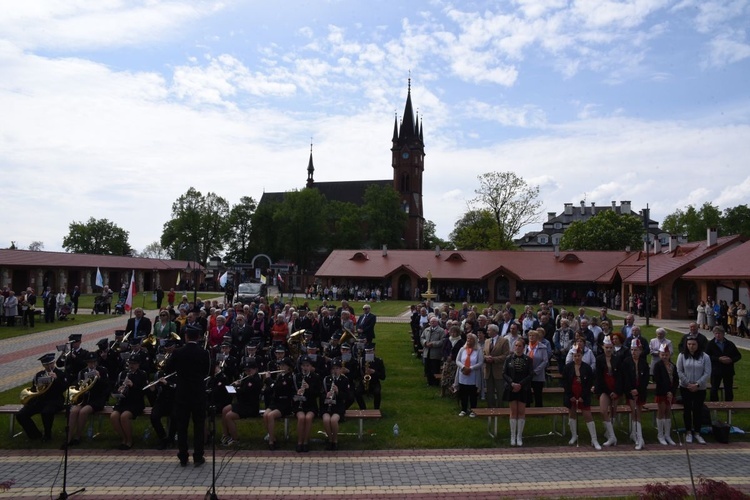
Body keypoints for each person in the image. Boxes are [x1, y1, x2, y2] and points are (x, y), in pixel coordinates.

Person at [164, 325, 211, 466]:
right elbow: (206, 372)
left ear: (186, 336)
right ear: (198, 337)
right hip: (198, 392)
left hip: (182, 393)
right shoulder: (204, 353)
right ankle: (198, 456)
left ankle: (183, 456)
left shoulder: (178, 352)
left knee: (182, 425)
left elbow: (168, 369)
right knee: (198, 424)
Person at [63, 352, 109, 447]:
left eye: (93, 362)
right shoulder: (82, 372)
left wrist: (99, 378)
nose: (91, 364)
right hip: (84, 399)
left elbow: (107, 387)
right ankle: (68, 438)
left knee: (83, 412)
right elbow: (77, 386)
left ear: (96, 362)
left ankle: (78, 436)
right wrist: (82, 385)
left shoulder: (102, 370)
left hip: (97, 400)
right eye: (89, 362)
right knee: (74, 411)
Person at [17, 353, 66, 441]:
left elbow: (63, 388)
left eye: (50, 363)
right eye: (46, 364)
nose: (48, 366)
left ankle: (47, 435)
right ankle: (35, 435)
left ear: (54, 362)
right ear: (43, 365)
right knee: (21, 414)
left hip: (55, 400)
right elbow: (34, 389)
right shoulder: (39, 375)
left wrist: (56, 379)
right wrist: (37, 387)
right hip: (40, 400)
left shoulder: (60, 373)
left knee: (46, 412)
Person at [562, 346, 601, 450]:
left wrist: (583, 396)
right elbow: (565, 383)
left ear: (582, 356)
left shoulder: (587, 368)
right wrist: (570, 396)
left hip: (584, 395)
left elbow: (589, 384)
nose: (577, 358)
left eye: (579, 355)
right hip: (571, 396)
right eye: (575, 356)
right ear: (572, 356)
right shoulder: (567, 367)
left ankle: (594, 439)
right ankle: (574, 435)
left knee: (587, 415)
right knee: (572, 414)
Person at [677, 336, 711, 444]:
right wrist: (687, 383)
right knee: (687, 410)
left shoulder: (705, 357)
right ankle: (688, 431)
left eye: (693, 344)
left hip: (699, 388)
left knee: (698, 410)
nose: (691, 346)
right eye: (689, 344)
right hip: (685, 387)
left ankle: (697, 432)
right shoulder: (682, 356)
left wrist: (697, 384)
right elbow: (679, 371)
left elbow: (707, 372)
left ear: (698, 345)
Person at [221, 358, 262, 446]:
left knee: (229, 416)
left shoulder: (255, 380)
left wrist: (235, 389)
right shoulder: (248, 378)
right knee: (225, 409)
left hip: (250, 406)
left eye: (249, 370)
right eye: (246, 370)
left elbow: (244, 392)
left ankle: (235, 439)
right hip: (243, 404)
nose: (247, 372)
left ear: (255, 369)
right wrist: (239, 383)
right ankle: (225, 435)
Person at [617, 338, 649, 450]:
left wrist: (638, 390)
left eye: (636, 350)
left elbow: (645, 379)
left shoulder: (644, 363)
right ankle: (639, 438)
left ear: (640, 350)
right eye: (632, 350)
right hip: (630, 392)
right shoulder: (626, 362)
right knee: (635, 412)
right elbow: (625, 378)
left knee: (638, 412)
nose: (633, 352)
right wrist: (631, 390)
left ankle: (636, 435)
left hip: (640, 391)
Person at [110, 355, 147, 450]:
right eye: (130, 363)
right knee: (113, 416)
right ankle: (124, 438)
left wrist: (132, 385)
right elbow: (114, 387)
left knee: (124, 416)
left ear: (138, 365)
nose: (132, 366)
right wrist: (119, 390)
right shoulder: (123, 374)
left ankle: (129, 440)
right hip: (123, 402)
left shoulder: (142, 374)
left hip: (135, 403)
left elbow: (143, 392)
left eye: (134, 364)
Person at [503, 339, 532, 446]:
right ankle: (512, 436)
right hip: (511, 387)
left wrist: (521, 384)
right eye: (516, 345)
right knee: (513, 412)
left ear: (523, 347)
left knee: (521, 412)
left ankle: (519, 436)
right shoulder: (509, 359)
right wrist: (512, 383)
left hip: (523, 388)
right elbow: (504, 373)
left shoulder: (528, 359)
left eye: (520, 346)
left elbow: (530, 374)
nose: (518, 348)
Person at [263, 357, 296, 450]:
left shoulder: (289, 377)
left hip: (285, 403)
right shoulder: (280, 376)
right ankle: (272, 437)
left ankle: (271, 442)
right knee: (265, 415)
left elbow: (278, 388)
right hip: (276, 402)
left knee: (270, 416)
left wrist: (269, 380)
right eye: (280, 365)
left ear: (288, 367)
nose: (281, 367)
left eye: (283, 365)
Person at [705, 326, 742, 402]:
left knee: (728, 388)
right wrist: (718, 359)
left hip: (728, 370)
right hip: (716, 370)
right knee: (714, 388)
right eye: (716, 333)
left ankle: (729, 405)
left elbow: (738, 355)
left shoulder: (729, 344)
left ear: (723, 334)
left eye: (719, 333)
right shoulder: (710, 344)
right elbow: (706, 356)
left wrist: (731, 360)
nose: (717, 335)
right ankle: (714, 405)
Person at [321, 358, 351, 450]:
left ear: (340, 369)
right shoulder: (326, 379)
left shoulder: (344, 380)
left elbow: (347, 396)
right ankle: (330, 440)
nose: (335, 371)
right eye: (333, 369)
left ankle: (335, 440)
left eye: (337, 368)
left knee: (333, 420)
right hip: (327, 406)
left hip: (338, 406)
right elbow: (321, 394)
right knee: (326, 420)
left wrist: (338, 392)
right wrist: (326, 395)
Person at [594, 337, 619, 447]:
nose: (608, 350)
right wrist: (608, 391)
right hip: (605, 389)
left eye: (610, 348)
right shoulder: (599, 359)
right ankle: (612, 436)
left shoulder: (617, 359)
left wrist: (616, 391)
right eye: (606, 348)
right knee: (603, 411)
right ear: (603, 347)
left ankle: (609, 434)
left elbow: (620, 377)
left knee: (613, 412)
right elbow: (599, 377)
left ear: (613, 348)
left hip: (615, 389)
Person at [293, 355, 321, 452]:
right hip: (299, 405)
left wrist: (309, 388)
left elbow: (318, 393)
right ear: (301, 366)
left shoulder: (315, 377)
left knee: (308, 418)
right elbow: (291, 392)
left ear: (311, 366)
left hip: (311, 405)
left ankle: (305, 442)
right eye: (303, 365)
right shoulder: (296, 377)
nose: (305, 368)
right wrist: (297, 393)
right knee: (301, 418)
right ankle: (299, 442)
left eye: (307, 365)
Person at [652, 344, 678, 446]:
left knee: (668, 411)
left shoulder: (672, 366)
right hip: (662, 392)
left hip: (670, 393)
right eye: (662, 354)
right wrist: (666, 391)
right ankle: (660, 435)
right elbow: (658, 380)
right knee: (661, 411)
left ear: (669, 355)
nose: (664, 357)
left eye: (666, 355)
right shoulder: (658, 366)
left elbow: (675, 380)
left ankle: (667, 435)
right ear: (659, 354)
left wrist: (672, 391)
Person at [455, 333, 483, 417]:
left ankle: (473, 409)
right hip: (463, 374)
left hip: (473, 374)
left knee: (472, 393)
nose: (468, 340)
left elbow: (480, 362)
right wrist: (463, 367)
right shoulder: (462, 349)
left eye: (470, 339)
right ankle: (463, 409)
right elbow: (457, 360)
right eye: (467, 339)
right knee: (463, 392)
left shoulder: (478, 350)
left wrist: (471, 368)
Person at [484, 324, 509, 408]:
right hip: (488, 370)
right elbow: (483, 353)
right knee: (489, 391)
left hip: (498, 370)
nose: (487, 331)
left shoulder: (504, 341)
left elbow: (506, 355)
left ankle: (501, 408)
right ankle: (491, 408)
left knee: (500, 391)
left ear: (494, 331)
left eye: (489, 330)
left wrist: (494, 359)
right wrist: (485, 358)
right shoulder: (487, 341)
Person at [526, 329, 549, 407]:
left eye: (533, 336)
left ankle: (539, 411)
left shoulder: (542, 347)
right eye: (530, 335)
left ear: (537, 337)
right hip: (527, 374)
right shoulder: (525, 347)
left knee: (538, 394)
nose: (531, 337)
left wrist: (536, 371)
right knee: (527, 393)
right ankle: (527, 409)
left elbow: (545, 361)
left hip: (538, 374)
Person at [421, 316, 445, 387]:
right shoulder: (426, 330)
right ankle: (429, 382)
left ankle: (435, 383)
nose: (432, 323)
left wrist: (433, 344)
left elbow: (443, 341)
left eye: (434, 322)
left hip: (435, 354)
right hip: (427, 352)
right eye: (431, 322)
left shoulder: (441, 331)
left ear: (437, 322)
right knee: (428, 368)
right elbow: (422, 338)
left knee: (434, 368)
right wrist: (425, 343)